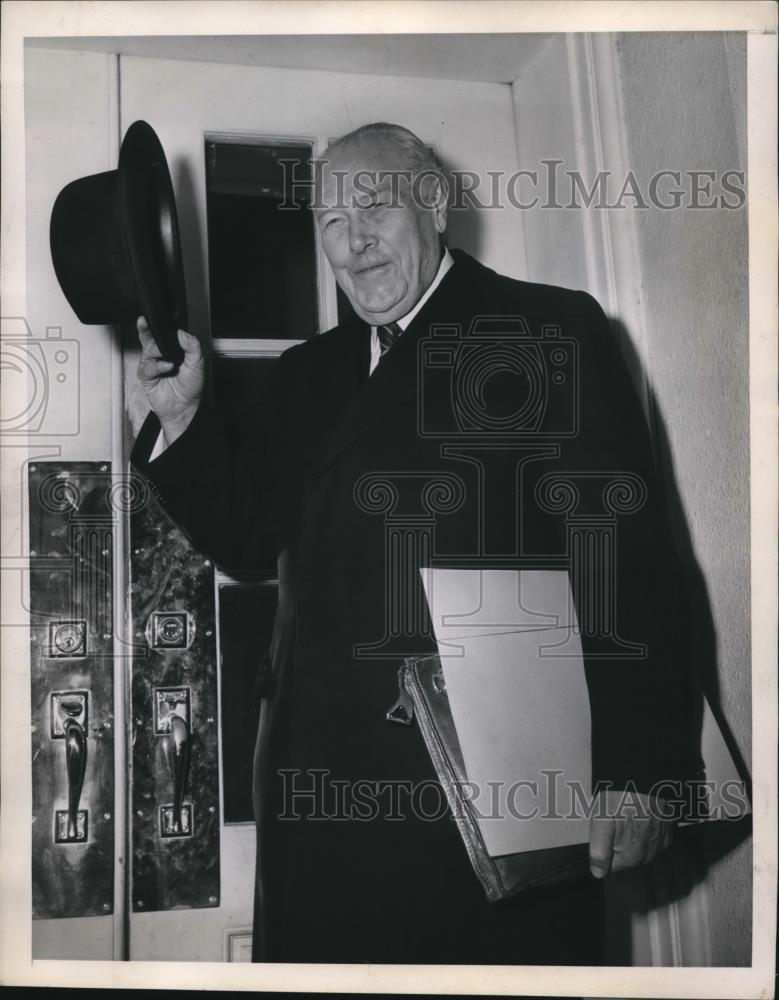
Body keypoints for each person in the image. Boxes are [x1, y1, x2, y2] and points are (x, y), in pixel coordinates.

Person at [132, 122, 696, 964]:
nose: (351, 244)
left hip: (477, 807)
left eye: (372, 208)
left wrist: (638, 769)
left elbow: (626, 559)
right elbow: (251, 543)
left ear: (433, 206)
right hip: (312, 795)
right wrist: (182, 419)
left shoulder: (545, 328)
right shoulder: (305, 374)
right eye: (327, 221)